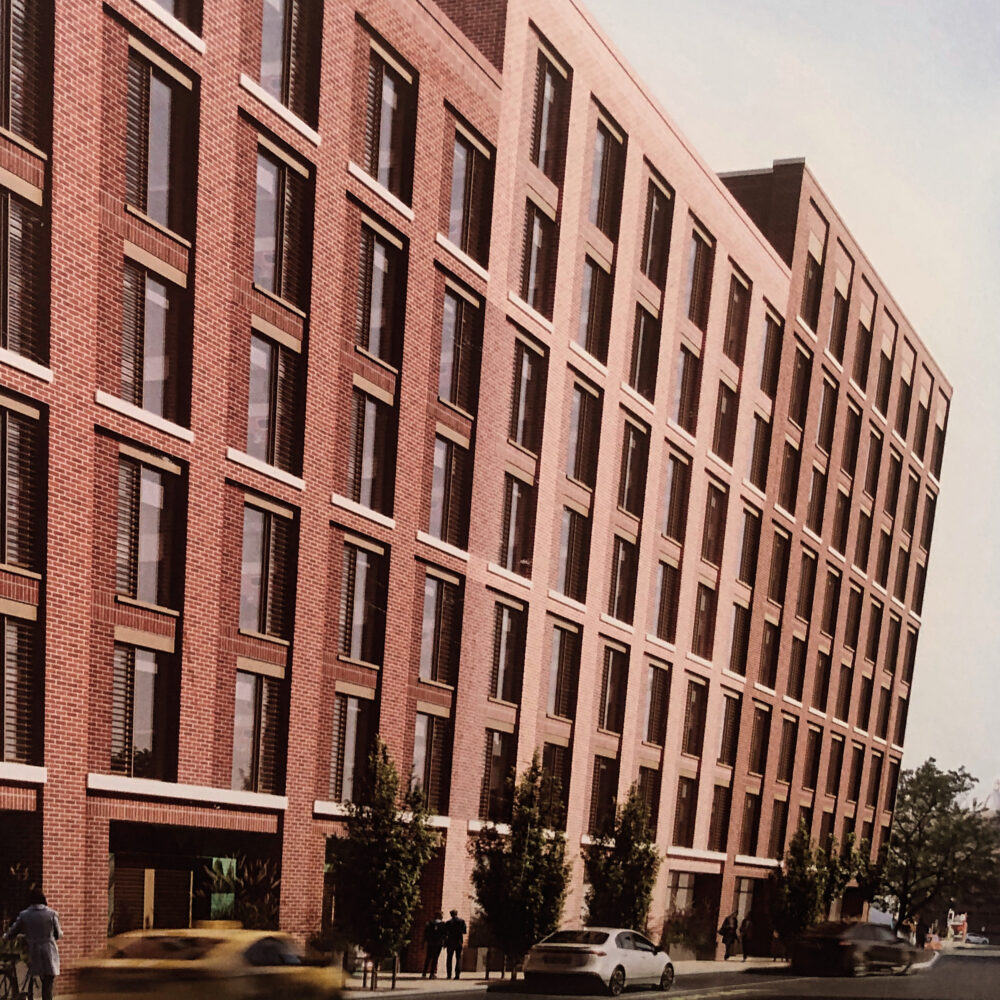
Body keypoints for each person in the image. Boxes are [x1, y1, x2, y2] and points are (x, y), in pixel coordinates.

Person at [3, 888, 62, 1000]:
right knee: (48, 983)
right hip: (49, 953)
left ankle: (27, 994)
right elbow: (58, 934)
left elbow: (12, 932)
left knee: (31, 975)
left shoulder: (24, 915)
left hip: (33, 952)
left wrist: (5, 937)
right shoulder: (52, 914)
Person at [421, 912, 444, 978]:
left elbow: (425, 934)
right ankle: (432, 973)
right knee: (435, 958)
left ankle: (424, 972)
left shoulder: (429, 923)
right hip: (438, 943)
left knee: (428, 957)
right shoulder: (442, 924)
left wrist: (423, 942)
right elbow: (444, 935)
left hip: (430, 943)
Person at [445, 909, 466, 979]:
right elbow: (464, 931)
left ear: (451, 914)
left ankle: (449, 974)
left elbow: (445, 933)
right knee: (458, 958)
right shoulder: (461, 921)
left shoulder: (448, 923)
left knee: (449, 958)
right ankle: (457, 975)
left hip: (450, 941)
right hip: (459, 941)